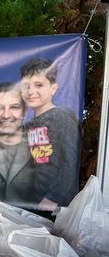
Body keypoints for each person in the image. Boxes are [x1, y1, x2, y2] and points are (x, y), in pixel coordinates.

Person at [19, 58, 80, 211]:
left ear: (53, 88)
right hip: (32, 204)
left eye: (39, 85)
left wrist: (53, 199)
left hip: (55, 206)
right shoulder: (28, 126)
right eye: (26, 86)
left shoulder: (63, 116)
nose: (31, 91)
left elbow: (70, 163)